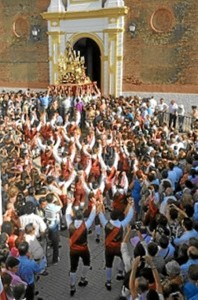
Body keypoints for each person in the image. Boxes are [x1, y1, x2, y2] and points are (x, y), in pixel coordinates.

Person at [98, 197, 134, 291]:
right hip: (119, 247)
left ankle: (108, 282)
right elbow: (130, 215)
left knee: (108, 264)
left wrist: (99, 204)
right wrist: (130, 205)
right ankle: (120, 273)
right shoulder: (122, 224)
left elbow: (100, 214)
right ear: (118, 217)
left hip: (109, 248)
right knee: (123, 258)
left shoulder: (106, 223)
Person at [65, 196, 97, 296]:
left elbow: (66, 214)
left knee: (73, 267)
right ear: (82, 217)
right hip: (83, 249)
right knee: (87, 263)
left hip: (73, 250)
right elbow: (92, 215)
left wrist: (70, 203)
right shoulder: (86, 225)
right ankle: (83, 279)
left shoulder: (69, 223)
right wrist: (94, 205)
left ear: (74, 216)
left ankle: (72, 287)